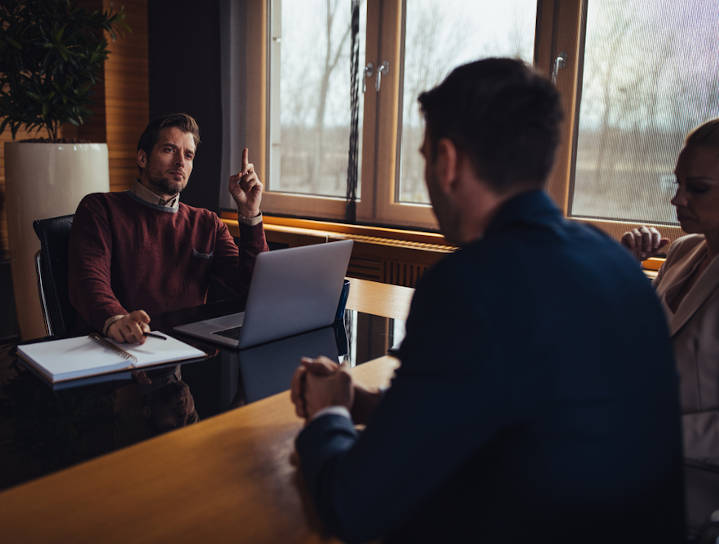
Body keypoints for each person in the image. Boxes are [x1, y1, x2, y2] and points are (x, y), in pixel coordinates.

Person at [289, 58, 684, 542]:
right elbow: (535, 406)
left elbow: (352, 508)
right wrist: (367, 405)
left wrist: (328, 412)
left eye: (425, 156)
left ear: (448, 161)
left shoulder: (470, 284)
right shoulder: (617, 263)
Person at [68, 113, 268, 344]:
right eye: (169, 150)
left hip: (184, 352)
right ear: (142, 158)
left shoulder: (207, 223)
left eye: (188, 155)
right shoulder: (100, 208)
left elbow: (251, 288)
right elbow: (88, 279)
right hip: (120, 347)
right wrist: (116, 319)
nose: (180, 162)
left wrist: (250, 213)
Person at [621, 119, 719, 463]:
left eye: (698, 188)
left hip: (700, 483)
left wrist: (646, 431)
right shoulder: (683, 250)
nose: (677, 199)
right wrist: (626, 270)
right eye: (678, 184)